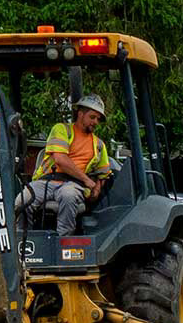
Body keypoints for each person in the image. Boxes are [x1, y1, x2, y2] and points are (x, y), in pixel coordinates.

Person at [20, 94, 116, 234]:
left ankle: (63, 240)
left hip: (74, 184)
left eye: (98, 119)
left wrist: (96, 189)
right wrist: (88, 181)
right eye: (92, 117)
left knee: (68, 195)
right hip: (48, 181)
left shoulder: (99, 145)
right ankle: (23, 239)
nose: (95, 122)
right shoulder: (62, 130)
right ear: (80, 113)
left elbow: (104, 174)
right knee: (23, 200)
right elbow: (60, 159)